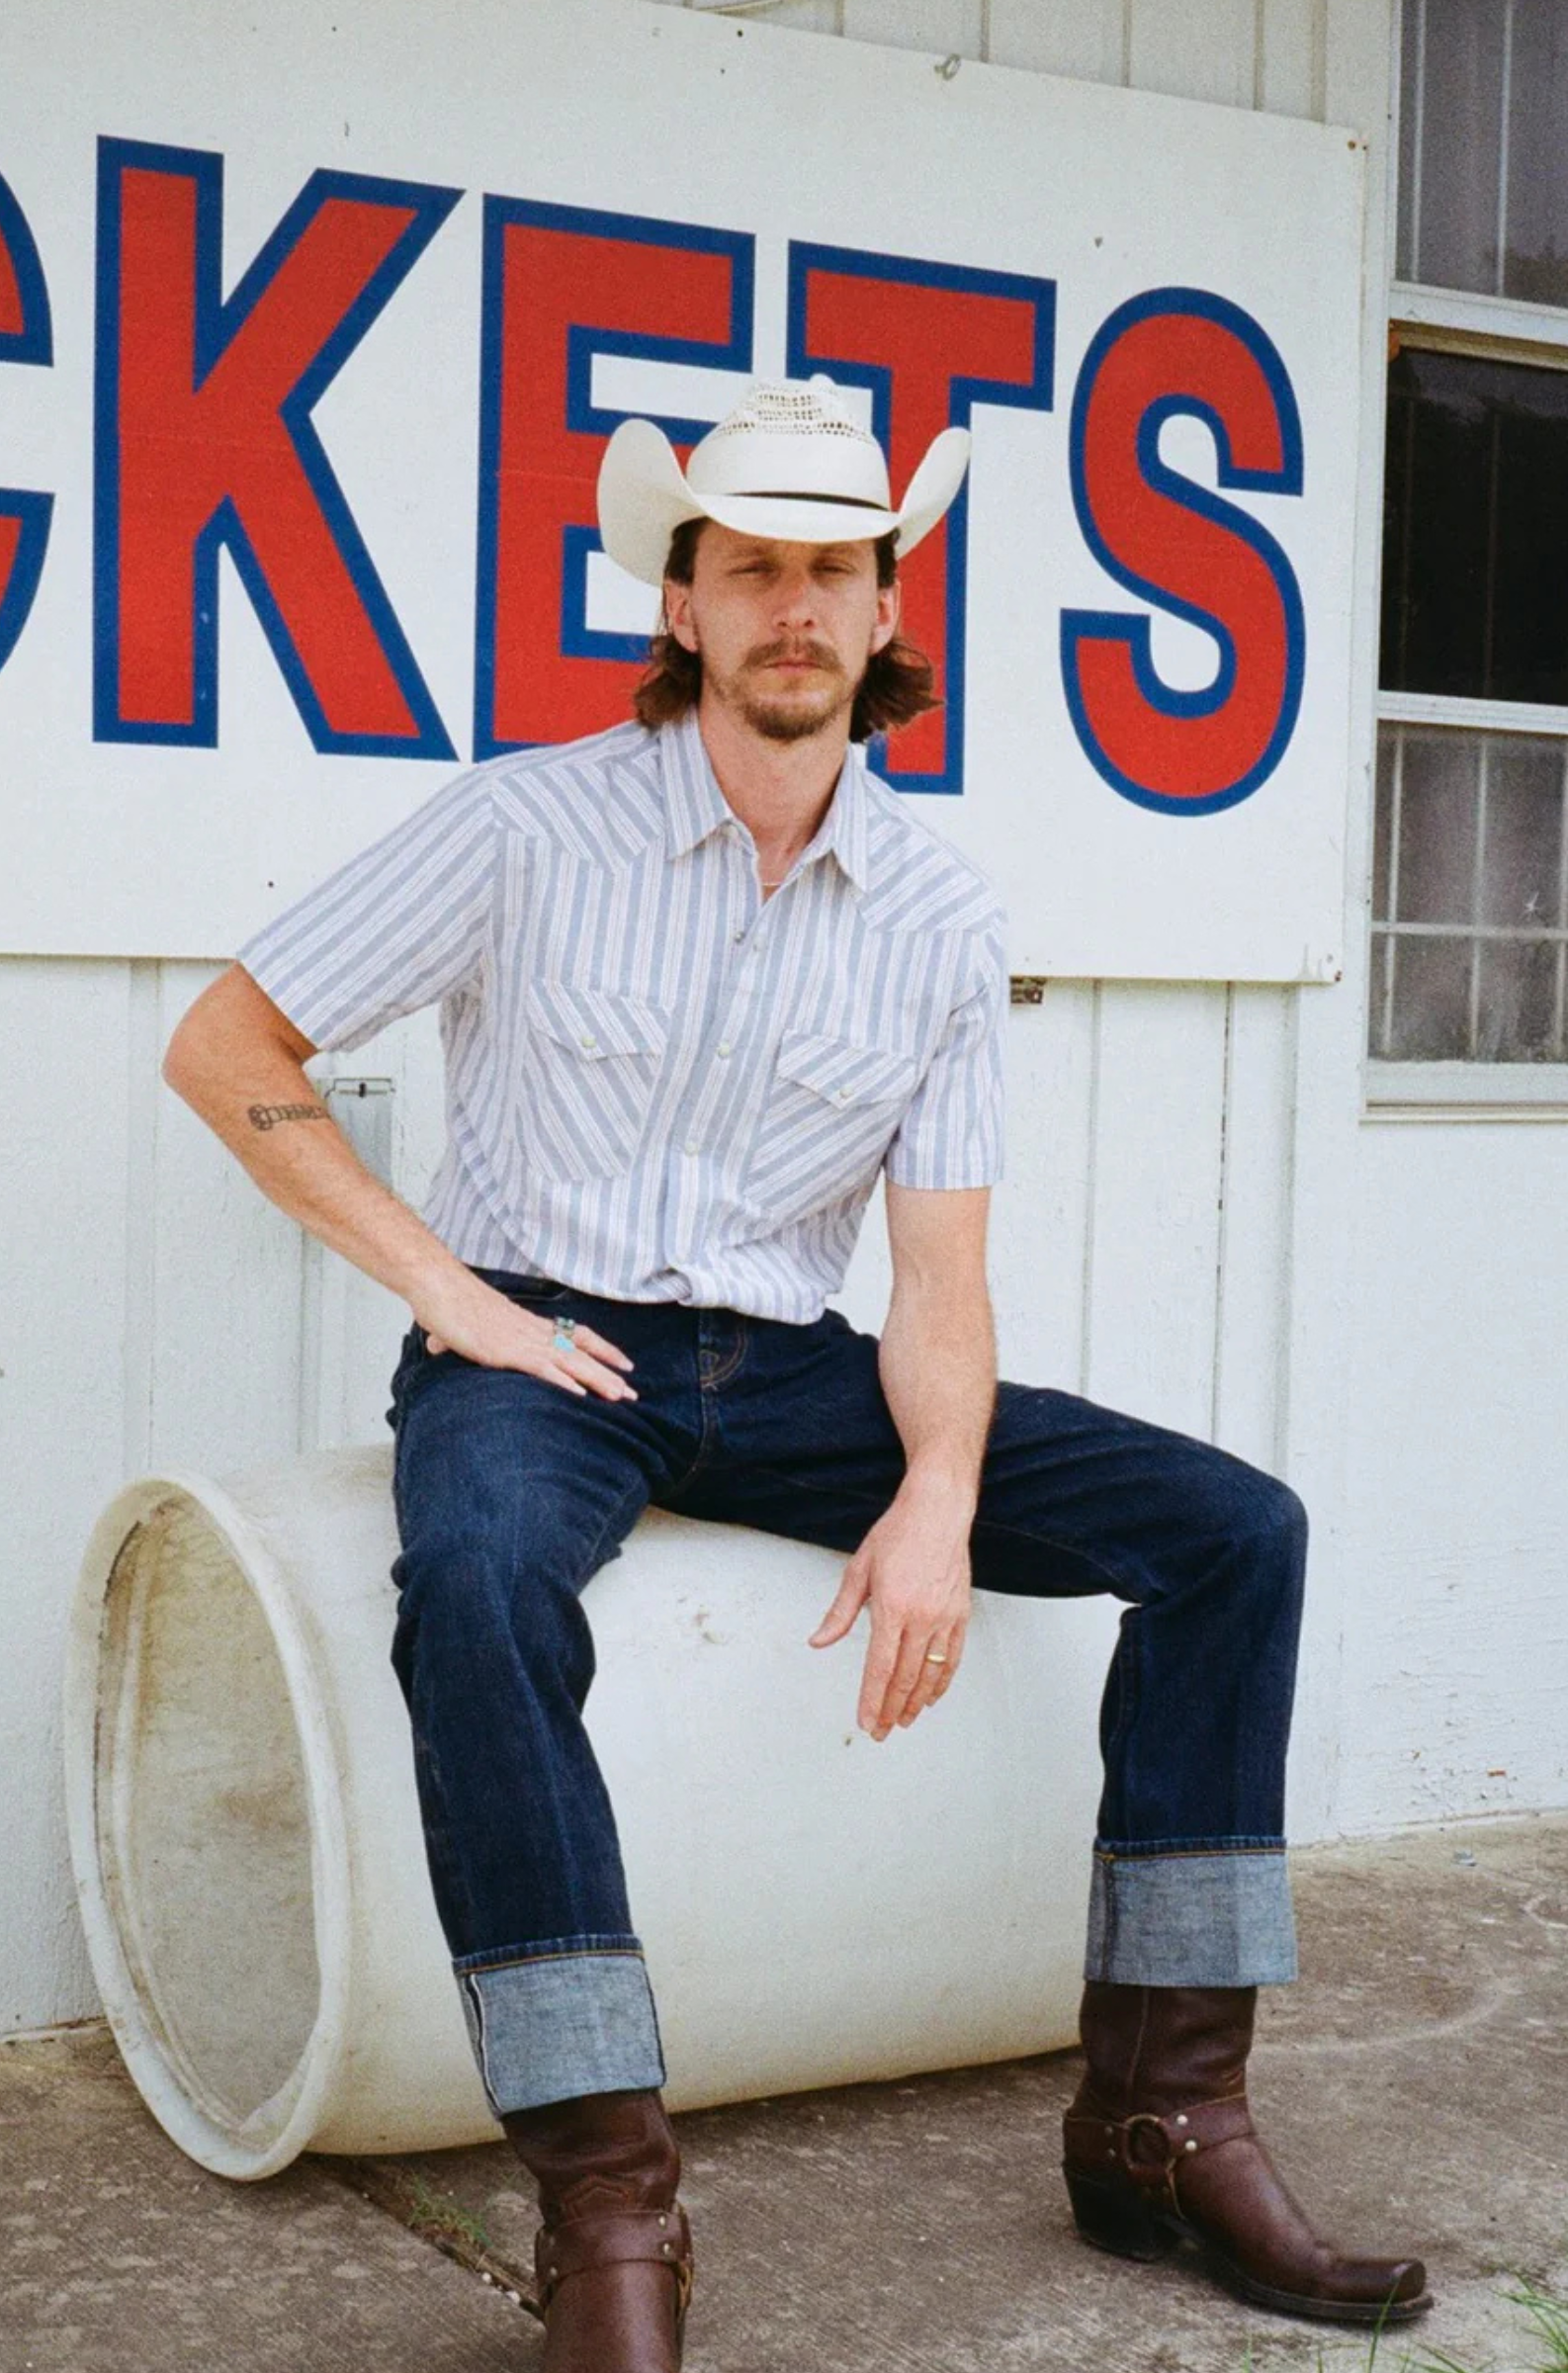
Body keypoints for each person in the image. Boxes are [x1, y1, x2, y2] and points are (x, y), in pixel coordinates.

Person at [163, 379, 1430, 2368]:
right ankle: (607, 2205)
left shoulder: (932, 907)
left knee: (1229, 1532)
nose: (790, 606)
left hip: (792, 1367)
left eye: (828, 568)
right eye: (745, 565)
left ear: (880, 603)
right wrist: (447, 1294)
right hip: (547, 1350)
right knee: (477, 1587)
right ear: (678, 602)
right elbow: (231, 1050)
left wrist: (933, 1495)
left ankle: (1161, 2115)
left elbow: (938, 1274)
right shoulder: (525, 822)